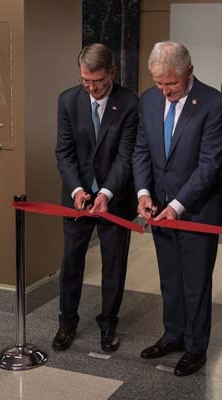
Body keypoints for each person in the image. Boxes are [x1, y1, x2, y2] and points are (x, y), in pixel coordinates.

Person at [133, 41, 222, 376]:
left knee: (196, 282)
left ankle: (195, 346)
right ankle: (172, 335)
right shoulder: (147, 99)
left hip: (197, 210)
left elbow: (209, 164)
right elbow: (141, 149)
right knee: (170, 278)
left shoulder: (214, 104)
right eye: (159, 83)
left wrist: (177, 205)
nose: (165, 91)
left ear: (189, 71)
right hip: (158, 208)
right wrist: (144, 192)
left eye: (171, 84)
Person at [54, 43, 138, 353]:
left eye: (98, 82)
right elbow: (64, 152)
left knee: (113, 264)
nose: (92, 88)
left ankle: (108, 325)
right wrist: (78, 190)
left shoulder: (130, 104)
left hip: (114, 199)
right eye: (86, 81)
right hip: (76, 197)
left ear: (112, 74)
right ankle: (67, 323)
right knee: (71, 262)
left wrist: (105, 193)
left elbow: (126, 157)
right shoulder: (68, 101)